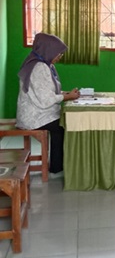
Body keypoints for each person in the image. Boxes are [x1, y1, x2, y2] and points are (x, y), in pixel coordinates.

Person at [16, 33, 80, 178]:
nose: (59, 57)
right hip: (34, 116)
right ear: (48, 51)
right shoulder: (39, 68)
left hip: (39, 112)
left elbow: (48, 91)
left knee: (62, 122)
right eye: (58, 53)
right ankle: (56, 169)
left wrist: (66, 93)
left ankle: (58, 164)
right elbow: (45, 100)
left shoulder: (44, 64)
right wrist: (67, 97)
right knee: (61, 126)